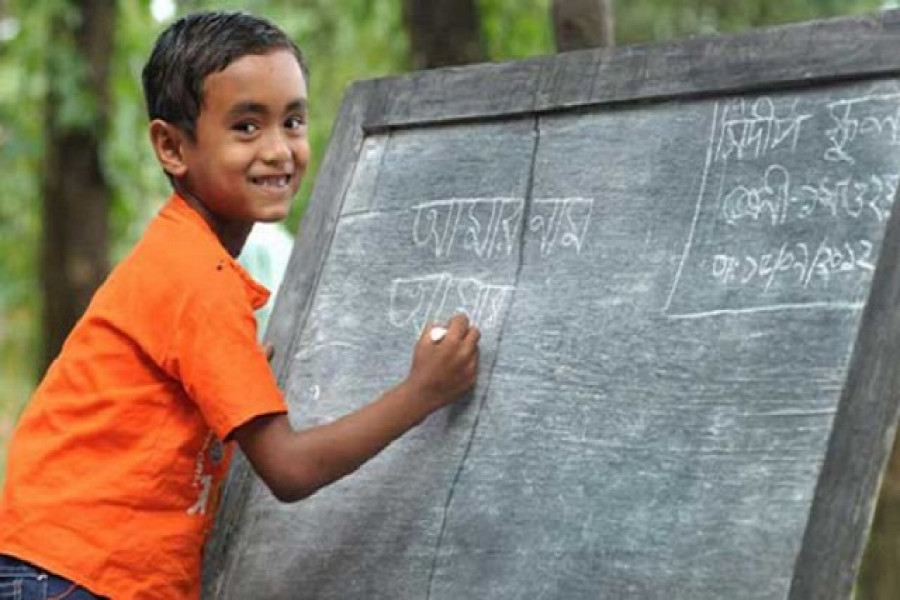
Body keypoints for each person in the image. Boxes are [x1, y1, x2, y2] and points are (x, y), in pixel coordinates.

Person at [0, 11, 480, 600]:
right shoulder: (198, 278)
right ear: (172, 147)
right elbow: (289, 469)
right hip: (76, 575)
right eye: (247, 127)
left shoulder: (185, 258)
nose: (280, 150)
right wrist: (422, 393)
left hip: (67, 566)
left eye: (293, 120)